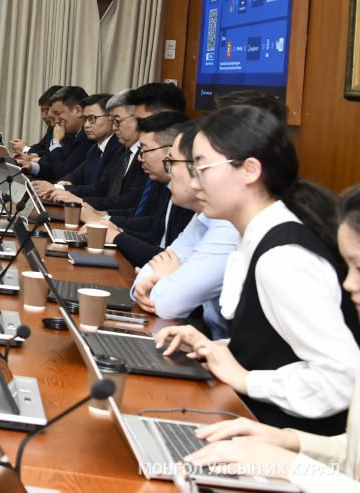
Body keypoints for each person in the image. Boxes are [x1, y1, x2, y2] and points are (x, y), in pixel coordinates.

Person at [156, 106, 360, 436]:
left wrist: (248, 379)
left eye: (202, 168)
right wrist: (219, 349)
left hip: (290, 444)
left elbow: (342, 379)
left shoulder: (283, 259)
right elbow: (276, 349)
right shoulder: (254, 236)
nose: (194, 183)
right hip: (252, 424)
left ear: (250, 170)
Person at [182, 185, 360, 490]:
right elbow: (353, 457)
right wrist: (287, 441)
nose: (348, 283)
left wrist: (289, 464)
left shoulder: (282, 256)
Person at [131, 121, 239, 337]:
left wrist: (165, 279)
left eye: (171, 162)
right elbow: (149, 273)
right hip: (206, 343)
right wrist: (165, 278)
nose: (169, 173)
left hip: (219, 349)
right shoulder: (204, 216)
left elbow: (167, 303)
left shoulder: (229, 226)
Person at [97, 111, 192, 265]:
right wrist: (116, 230)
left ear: (170, 152)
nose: (140, 157)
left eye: (145, 150)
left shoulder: (189, 197)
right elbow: (154, 234)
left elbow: (172, 259)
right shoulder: (166, 185)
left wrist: (116, 236)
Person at [33, 93, 117, 196]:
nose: (86, 125)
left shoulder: (119, 149)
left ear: (111, 118)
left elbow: (100, 189)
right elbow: (75, 175)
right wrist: (63, 183)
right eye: (85, 119)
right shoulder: (95, 149)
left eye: (92, 118)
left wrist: (59, 188)